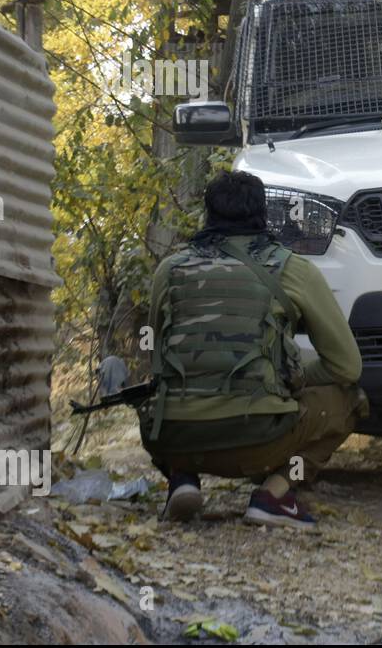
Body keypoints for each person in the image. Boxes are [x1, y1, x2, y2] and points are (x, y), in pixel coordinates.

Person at [142, 171, 367, 529]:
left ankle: (182, 479)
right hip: (260, 438)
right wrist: (291, 377)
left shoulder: (169, 270)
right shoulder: (294, 270)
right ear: (264, 214)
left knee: (163, 395)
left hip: (172, 437)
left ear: (208, 214)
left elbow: (155, 356)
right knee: (351, 398)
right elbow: (346, 367)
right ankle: (273, 495)